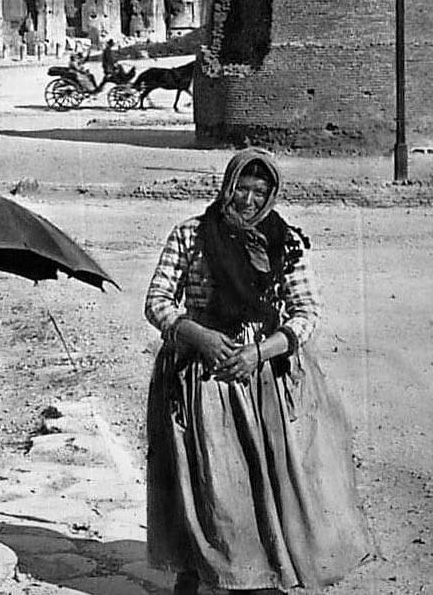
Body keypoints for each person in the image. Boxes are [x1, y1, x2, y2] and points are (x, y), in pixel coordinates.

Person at [144, 147, 371, 595]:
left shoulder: (285, 242)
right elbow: (157, 302)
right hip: (204, 378)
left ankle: (262, 572)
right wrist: (200, 336)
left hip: (266, 374)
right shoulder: (190, 235)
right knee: (211, 478)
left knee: (268, 476)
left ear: (272, 195)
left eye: (259, 191)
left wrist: (259, 352)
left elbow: (306, 312)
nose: (248, 200)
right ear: (227, 187)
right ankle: (207, 568)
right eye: (241, 189)